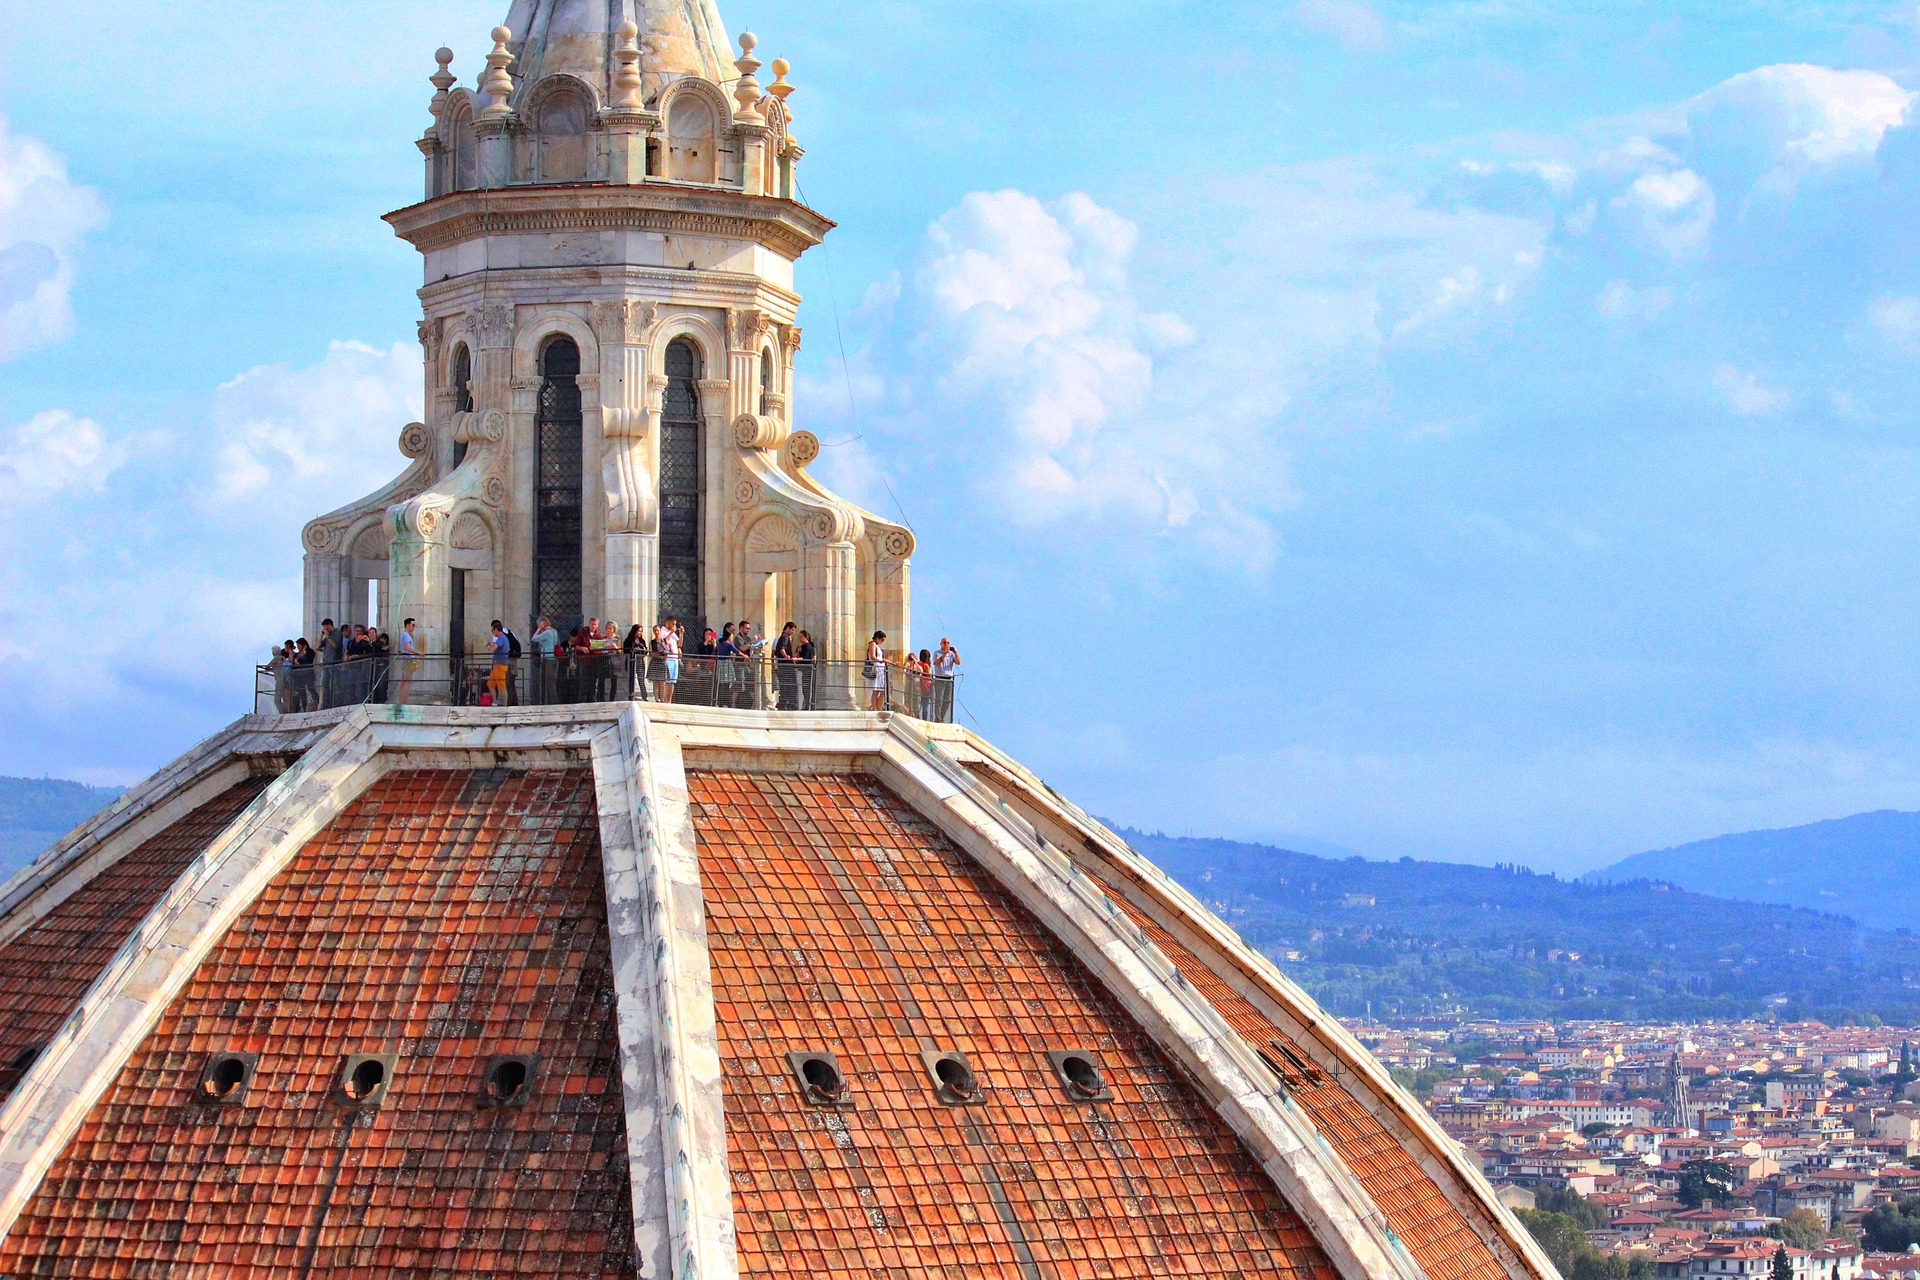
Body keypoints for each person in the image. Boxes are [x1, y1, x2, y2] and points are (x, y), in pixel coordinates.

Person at [530, 615, 560, 705]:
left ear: (542, 623)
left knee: (548, 682)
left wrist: (539, 629)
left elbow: (534, 639)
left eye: (538, 624)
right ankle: (549, 701)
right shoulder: (554, 631)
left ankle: (552, 702)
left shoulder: (547, 632)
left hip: (548, 659)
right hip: (554, 658)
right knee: (551, 681)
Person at [932, 637, 961, 724]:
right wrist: (944, 654)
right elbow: (936, 662)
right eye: (944, 642)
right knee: (939, 699)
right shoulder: (937, 653)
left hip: (949, 679)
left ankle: (942, 716)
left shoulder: (951, 654)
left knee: (947, 700)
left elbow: (958, 662)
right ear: (941, 644)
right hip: (940, 678)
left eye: (948, 643)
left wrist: (955, 653)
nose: (946, 644)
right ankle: (937, 717)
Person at [772, 622, 798, 711]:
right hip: (785, 667)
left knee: (784, 686)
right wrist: (786, 656)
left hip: (782, 666)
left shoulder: (784, 637)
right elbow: (781, 648)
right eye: (792, 630)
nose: (793, 632)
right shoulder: (785, 637)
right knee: (789, 686)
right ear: (788, 628)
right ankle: (787, 705)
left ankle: (782, 704)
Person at [317, 618, 341, 708]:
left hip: (334, 663)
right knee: (324, 684)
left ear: (328, 625)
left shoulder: (337, 633)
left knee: (335, 685)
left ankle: (335, 703)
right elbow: (318, 647)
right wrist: (321, 635)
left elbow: (336, 646)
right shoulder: (328, 636)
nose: (324, 629)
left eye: (324, 627)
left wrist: (328, 637)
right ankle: (326, 704)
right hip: (326, 663)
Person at [487, 620, 512, 706]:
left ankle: (505, 706)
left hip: (500, 665)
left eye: (492, 630)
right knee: (491, 684)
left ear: (496, 629)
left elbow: (493, 648)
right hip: (496, 665)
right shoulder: (502, 638)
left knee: (502, 687)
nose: (492, 632)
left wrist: (489, 646)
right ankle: (494, 703)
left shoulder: (501, 638)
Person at [622, 624, 648, 700]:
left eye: (641, 631)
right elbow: (625, 650)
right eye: (639, 631)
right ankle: (631, 695)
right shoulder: (628, 640)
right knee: (631, 679)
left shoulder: (642, 641)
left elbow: (646, 652)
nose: (640, 633)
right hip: (631, 661)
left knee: (641, 680)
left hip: (640, 662)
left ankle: (644, 696)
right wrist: (632, 650)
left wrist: (643, 650)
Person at [866, 630, 889, 713]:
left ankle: (878, 708)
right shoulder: (872, 644)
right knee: (876, 690)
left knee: (883, 690)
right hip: (876, 668)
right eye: (882, 640)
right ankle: (875, 709)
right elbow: (872, 656)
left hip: (881, 669)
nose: (882, 642)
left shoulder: (878, 646)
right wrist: (881, 660)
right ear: (877, 638)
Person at [294, 637, 317, 711]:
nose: (297, 647)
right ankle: (304, 707)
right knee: (302, 691)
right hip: (300, 675)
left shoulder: (310, 652)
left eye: (299, 645)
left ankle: (316, 702)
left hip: (308, 674)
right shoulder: (297, 654)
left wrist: (304, 653)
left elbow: (308, 661)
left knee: (311, 689)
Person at [796, 629, 817, 710]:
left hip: (807, 669)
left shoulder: (808, 647)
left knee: (807, 688)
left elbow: (806, 658)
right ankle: (806, 704)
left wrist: (797, 659)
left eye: (801, 637)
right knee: (805, 688)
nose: (800, 639)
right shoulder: (802, 647)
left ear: (806, 637)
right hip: (804, 669)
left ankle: (807, 705)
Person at [916, 648, 936, 720]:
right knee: (925, 704)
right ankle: (924, 718)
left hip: (918, 684)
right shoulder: (925, 665)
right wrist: (930, 667)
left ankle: (917, 715)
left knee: (918, 703)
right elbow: (929, 675)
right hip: (926, 685)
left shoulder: (918, 663)